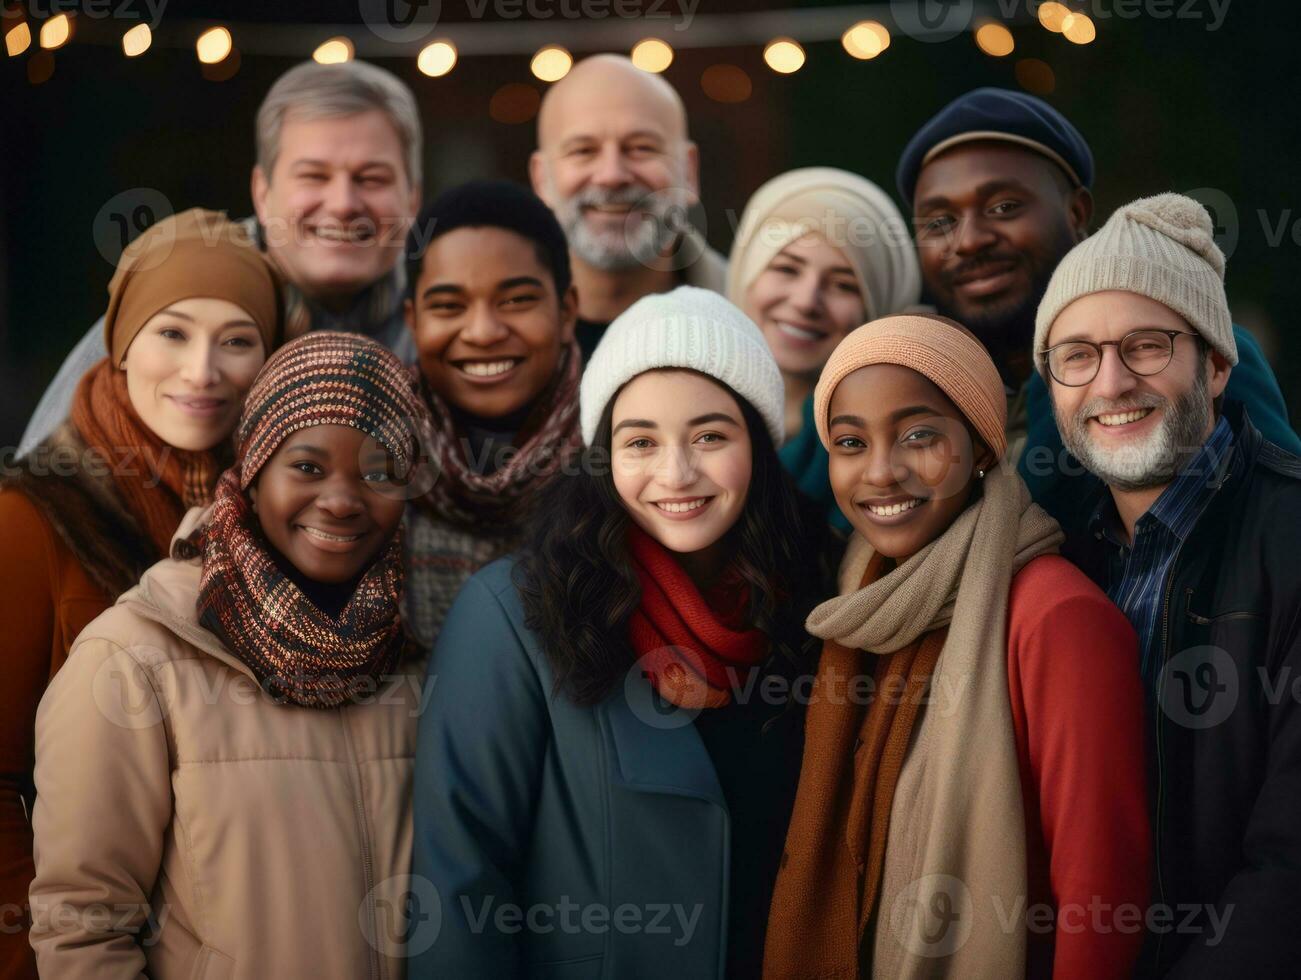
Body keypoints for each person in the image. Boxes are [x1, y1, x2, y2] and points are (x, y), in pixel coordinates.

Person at [410, 287, 835, 977]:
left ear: (755, 445)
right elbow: (461, 882)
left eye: (709, 435)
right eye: (639, 441)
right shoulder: (513, 615)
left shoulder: (817, 603)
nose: (677, 472)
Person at [27, 332, 432, 977]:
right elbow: (83, 928)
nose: (341, 498)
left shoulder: (420, 656)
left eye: (380, 471)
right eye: (306, 465)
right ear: (250, 472)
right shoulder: (133, 658)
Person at [765, 315, 1149, 979]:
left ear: (979, 446)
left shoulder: (1058, 618)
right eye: (850, 442)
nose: (880, 472)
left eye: (918, 435)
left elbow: (1102, 898)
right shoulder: (860, 605)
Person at [0, 209, 281, 980]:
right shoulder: (32, 521)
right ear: (122, 346)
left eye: (237, 340)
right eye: (172, 333)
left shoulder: (286, 526)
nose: (202, 371)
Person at [1035, 193, 1301, 977]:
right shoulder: (1053, 556)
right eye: (1076, 355)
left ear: (1216, 365)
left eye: (1145, 347)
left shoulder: (1286, 539)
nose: (1110, 383)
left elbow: (1288, 869)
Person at [895, 87, 1299, 532]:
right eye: (939, 222)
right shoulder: (912, 384)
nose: (969, 240)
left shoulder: (1191, 355)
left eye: (1004, 207)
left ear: (1076, 212)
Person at [19, 59, 422, 456]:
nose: (343, 204)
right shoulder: (172, 296)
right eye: (314, 175)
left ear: (413, 198)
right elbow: (39, 497)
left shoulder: (448, 324)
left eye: (372, 179)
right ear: (262, 193)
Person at [402, 179, 582, 648]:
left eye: (517, 300)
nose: (482, 332)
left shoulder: (625, 456)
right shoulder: (372, 464)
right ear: (412, 321)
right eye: (448, 306)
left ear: (567, 311)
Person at [728, 167, 921, 530]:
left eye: (844, 285)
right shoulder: (679, 413)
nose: (805, 302)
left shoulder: (901, 464)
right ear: (745, 276)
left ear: (878, 308)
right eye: (787, 269)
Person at [530, 54, 726, 359]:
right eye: (583, 151)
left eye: (641, 148)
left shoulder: (759, 322)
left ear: (689, 172)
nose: (612, 175)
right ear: (541, 179)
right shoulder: (492, 337)